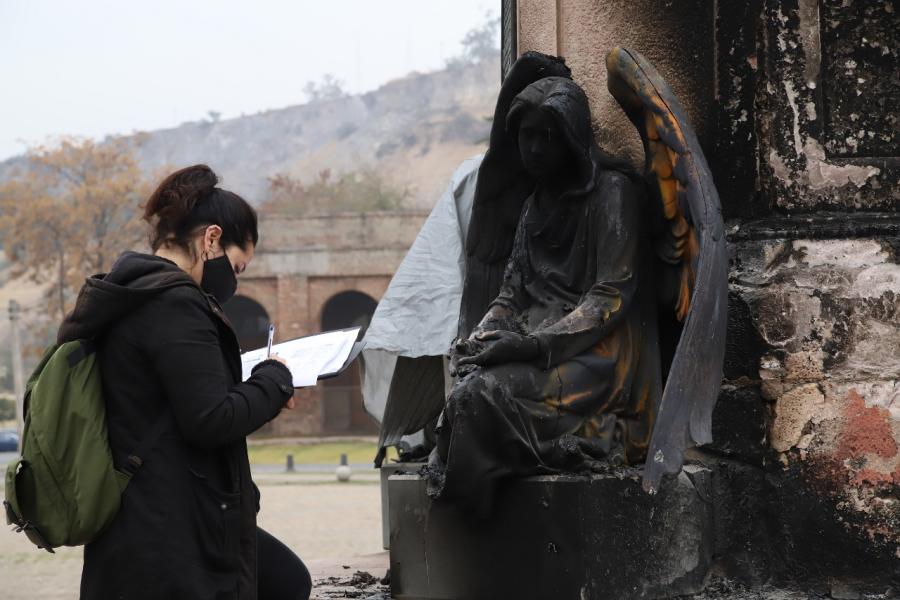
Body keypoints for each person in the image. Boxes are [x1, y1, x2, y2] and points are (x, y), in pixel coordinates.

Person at [59, 164, 312, 599]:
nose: (235, 279)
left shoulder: (132, 295)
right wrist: (276, 379)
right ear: (211, 239)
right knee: (286, 582)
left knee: (284, 578)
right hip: (171, 526)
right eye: (238, 266)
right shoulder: (174, 304)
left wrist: (259, 386)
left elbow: (181, 400)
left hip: (142, 517)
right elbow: (211, 419)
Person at [429, 77, 662, 517]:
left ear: (572, 138)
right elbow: (512, 294)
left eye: (546, 136)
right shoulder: (534, 205)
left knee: (480, 399)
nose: (533, 149)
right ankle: (475, 520)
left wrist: (534, 345)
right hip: (537, 344)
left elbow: (610, 297)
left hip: (597, 355)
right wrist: (485, 334)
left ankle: (482, 523)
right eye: (525, 136)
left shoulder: (613, 192)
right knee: (467, 388)